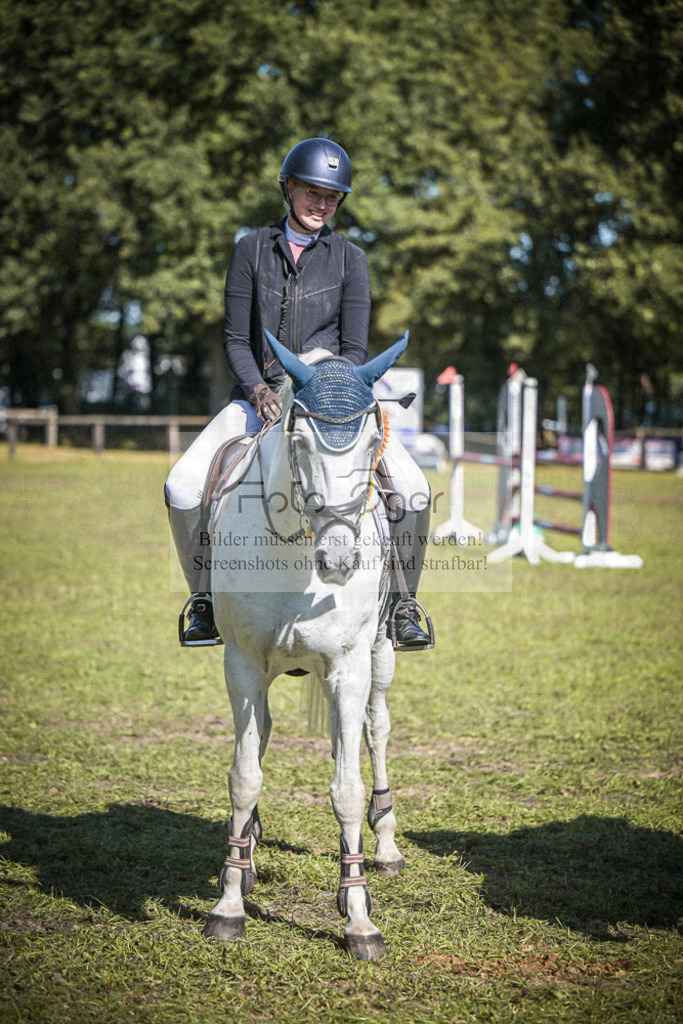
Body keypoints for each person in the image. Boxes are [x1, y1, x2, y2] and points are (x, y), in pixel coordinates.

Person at [165, 138, 434, 651]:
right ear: (288, 188)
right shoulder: (251, 249)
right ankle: (203, 598)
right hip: (259, 397)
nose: (321, 204)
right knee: (182, 486)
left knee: (415, 489)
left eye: (332, 197)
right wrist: (257, 389)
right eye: (312, 192)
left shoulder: (351, 259)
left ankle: (404, 606)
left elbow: (354, 349)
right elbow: (236, 339)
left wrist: (330, 397)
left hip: (328, 405)